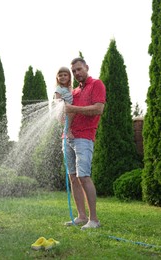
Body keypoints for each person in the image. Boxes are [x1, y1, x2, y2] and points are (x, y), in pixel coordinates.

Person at [63, 57, 106, 229]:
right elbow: (67, 116)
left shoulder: (96, 84)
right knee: (73, 177)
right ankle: (81, 216)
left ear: (87, 67)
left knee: (83, 176)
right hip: (68, 138)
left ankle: (94, 219)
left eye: (79, 69)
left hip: (84, 137)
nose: (76, 73)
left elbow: (98, 109)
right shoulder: (73, 92)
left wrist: (73, 109)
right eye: (74, 71)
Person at [54, 67, 74, 138]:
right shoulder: (59, 88)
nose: (63, 77)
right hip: (62, 110)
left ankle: (69, 130)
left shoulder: (69, 88)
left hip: (69, 108)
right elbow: (56, 99)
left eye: (65, 75)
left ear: (69, 77)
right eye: (60, 75)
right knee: (71, 111)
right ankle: (67, 131)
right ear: (57, 78)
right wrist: (62, 102)